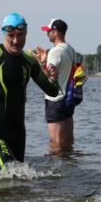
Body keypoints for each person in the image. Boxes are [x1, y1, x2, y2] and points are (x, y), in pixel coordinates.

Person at [0, 12, 61, 170]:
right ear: (4, 34)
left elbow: (53, 92)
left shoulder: (29, 61)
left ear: (26, 33)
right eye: (11, 36)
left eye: (20, 35)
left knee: (19, 178)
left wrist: (53, 77)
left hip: (18, 133)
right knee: (12, 171)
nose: (16, 41)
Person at [34, 18, 78, 152]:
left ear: (56, 32)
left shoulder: (55, 52)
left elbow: (49, 79)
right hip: (69, 99)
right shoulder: (71, 50)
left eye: (49, 31)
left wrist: (41, 62)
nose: (47, 34)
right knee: (68, 141)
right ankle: (68, 161)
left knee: (56, 143)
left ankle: (56, 164)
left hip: (55, 100)